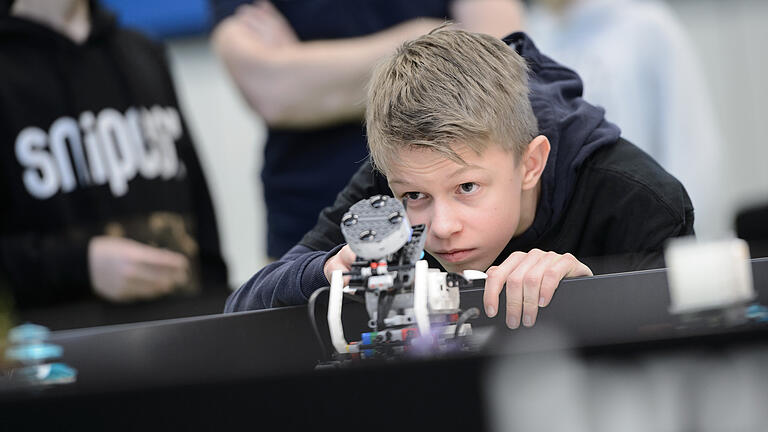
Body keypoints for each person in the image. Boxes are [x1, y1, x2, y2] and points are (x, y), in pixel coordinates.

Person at [225, 29, 694, 330]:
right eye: (415, 197)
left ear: (531, 164)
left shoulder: (641, 201)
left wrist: (593, 294)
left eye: (466, 187)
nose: (442, 226)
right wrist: (328, 270)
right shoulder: (396, 177)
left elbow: (697, 371)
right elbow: (242, 308)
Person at [210, 0, 524, 258]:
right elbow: (272, 91)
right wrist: (424, 37)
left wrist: (303, 66)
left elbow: (499, 60)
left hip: (458, 214)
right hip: (307, 222)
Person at [0, 0, 229, 325]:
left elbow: (201, 218)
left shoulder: (142, 51)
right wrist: (81, 265)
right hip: (59, 353)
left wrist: (218, 315)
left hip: (180, 335)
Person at [525, 0, 723, 237]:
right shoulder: (534, 35)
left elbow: (691, 144)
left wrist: (683, 238)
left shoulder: (647, 27)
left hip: (651, 225)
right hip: (576, 237)